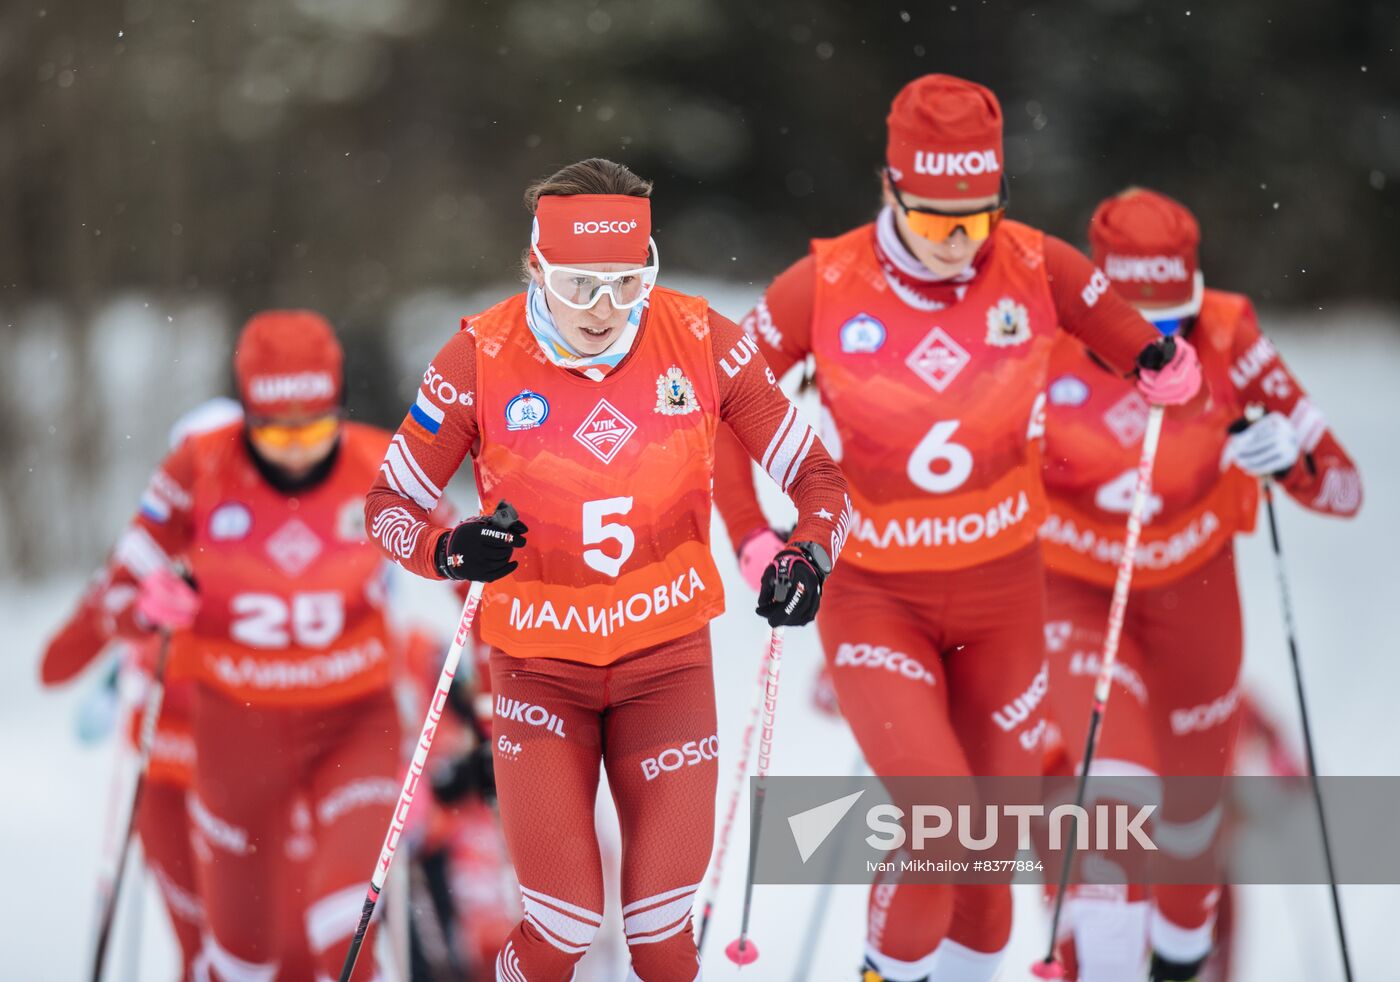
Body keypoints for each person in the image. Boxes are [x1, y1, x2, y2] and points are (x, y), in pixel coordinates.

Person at [710, 74, 1203, 982]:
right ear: (889, 189)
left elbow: (1124, 327)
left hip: (1005, 601)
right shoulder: (819, 285)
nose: (959, 245)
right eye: (937, 222)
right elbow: (720, 411)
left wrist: (1157, 362)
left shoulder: (1033, 263)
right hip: (873, 599)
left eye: (977, 218)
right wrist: (753, 536)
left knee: (982, 868)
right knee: (938, 825)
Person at [363, 156, 851, 982]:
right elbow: (387, 506)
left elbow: (821, 480)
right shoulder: (479, 356)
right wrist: (450, 548)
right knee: (562, 926)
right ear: (535, 267)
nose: (604, 310)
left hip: (666, 668)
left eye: (627, 284)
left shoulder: (702, 340)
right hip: (537, 669)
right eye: (581, 284)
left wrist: (809, 553)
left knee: (662, 932)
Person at [1038, 187, 1361, 982]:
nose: (1159, 349)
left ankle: (1183, 958)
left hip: (1193, 598)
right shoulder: (1034, 334)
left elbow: (1344, 489)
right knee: (1112, 797)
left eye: (1174, 322)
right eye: (1133, 331)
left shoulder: (1227, 333)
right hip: (1076, 594)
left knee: (1189, 831)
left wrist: (1286, 454)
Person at [112, 311, 426, 981]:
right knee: (224, 952)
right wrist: (143, 623)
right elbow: (121, 615)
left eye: (312, 427)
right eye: (273, 430)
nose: (294, 449)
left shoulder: (363, 481)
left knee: (329, 924)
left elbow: (442, 578)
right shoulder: (191, 498)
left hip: (327, 734)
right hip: (207, 752)